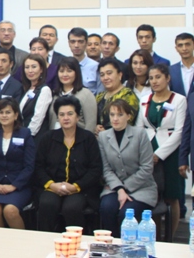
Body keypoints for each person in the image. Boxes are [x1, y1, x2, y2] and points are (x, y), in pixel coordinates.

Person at [35, 95, 102, 232]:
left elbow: (95, 169)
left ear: (77, 117)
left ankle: (76, 242)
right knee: (47, 204)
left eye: (70, 114)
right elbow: (38, 167)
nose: (66, 118)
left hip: (80, 188)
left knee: (71, 208)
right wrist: (51, 185)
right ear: (57, 118)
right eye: (62, 114)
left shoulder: (88, 138)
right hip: (52, 186)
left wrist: (76, 186)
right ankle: (44, 241)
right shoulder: (47, 138)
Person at [136, 64, 186, 238]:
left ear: (167, 78)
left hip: (171, 152)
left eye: (158, 77)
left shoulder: (179, 100)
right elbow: (139, 128)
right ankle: (155, 236)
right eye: (151, 78)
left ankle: (170, 236)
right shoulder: (145, 99)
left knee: (172, 195)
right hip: (148, 149)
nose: (154, 81)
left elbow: (180, 131)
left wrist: (159, 154)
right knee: (153, 196)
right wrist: (146, 152)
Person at [98, 99, 157, 238]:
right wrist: (119, 189)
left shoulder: (140, 134)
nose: (115, 119)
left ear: (129, 116)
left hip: (141, 188)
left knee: (126, 213)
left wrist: (125, 187)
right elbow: (106, 168)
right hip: (114, 187)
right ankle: (111, 245)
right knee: (107, 208)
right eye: (112, 115)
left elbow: (147, 167)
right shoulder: (103, 136)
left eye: (120, 115)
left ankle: (127, 246)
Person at [0, 98, 35, 229]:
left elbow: (29, 165)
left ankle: (21, 241)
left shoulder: (25, 134)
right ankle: (0, 241)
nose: (4, 116)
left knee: (10, 211)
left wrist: (14, 185)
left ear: (16, 115)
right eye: (1, 112)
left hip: (18, 186)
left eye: (8, 112)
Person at [47, 57, 97, 133]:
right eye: (61, 71)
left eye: (69, 71)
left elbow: (91, 124)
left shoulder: (86, 94)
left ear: (77, 73)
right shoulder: (54, 95)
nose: (65, 74)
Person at [94, 58, 139, 135]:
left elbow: (127, 121)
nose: (105, 78)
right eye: (102, 75)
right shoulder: (99, 96)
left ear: (120, 75)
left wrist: (106, 132)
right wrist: (96, 127)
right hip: (99, 138)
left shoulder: (128, 94)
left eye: (109, 73)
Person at [18, 54, 52, 140]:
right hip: (23, 133)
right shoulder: (27, 89)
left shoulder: (44, 90)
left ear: (41, 69)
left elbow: (38, 118)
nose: (30, 70)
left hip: (34, 137)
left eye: (34, 67)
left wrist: (27, 136)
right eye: (27, 67)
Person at [67, 27, 100, 94]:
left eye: (80, 42)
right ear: (69, 43)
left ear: (86, 43)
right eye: (73, 42)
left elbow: (101, 93)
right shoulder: (64, 66)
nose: (76, 45)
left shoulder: (96, 66)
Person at [170, 32, 194, 97]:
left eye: (187, 44)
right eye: (180, 45)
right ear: (176, 48)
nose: (184, 48)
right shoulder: (170, 70)